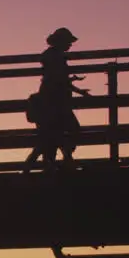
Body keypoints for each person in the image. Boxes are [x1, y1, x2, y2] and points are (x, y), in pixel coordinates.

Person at [22, 27, 91, 173]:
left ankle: (49, 165)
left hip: (52, 102)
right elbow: (58, 79)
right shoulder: (55, 56)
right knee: (63, 133)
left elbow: (58, 78)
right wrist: (76, 89)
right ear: (61, 41)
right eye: (68, 42)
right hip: (54, 103)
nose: (70, 45)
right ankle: (61, 162)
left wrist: (76, 88)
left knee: (49, 137)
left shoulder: (52, 55)